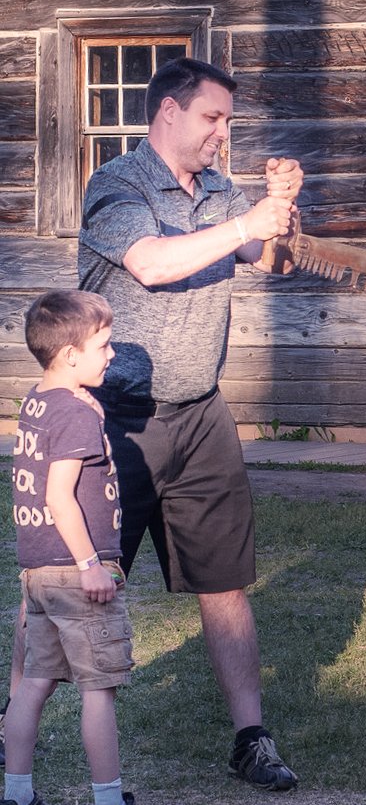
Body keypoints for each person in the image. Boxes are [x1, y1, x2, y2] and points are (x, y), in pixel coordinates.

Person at [73, 57, 301, 791]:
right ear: (168, 112)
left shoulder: (223, 191)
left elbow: (272, 261)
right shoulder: (117, 185)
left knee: (224, 582)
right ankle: (22, 717)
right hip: (116, 421)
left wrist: (281, 209)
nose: (223, 134)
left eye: (228, 121)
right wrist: (246, 220)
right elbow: (151, 264)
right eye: (213, 118)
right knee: (83, 579)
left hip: (201, 412)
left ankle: (251, 738)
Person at [8, 290, 134, 805]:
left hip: (38, 573)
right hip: (75, 572)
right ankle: (108, 798)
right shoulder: (76, 415)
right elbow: (59, 496)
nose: (111, 354)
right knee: (97, 689)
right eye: (103, 345)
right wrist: (91, 565)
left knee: (35, 682)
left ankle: (16, 793)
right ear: (70, 355)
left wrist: (93, 411)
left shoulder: (39, 400)